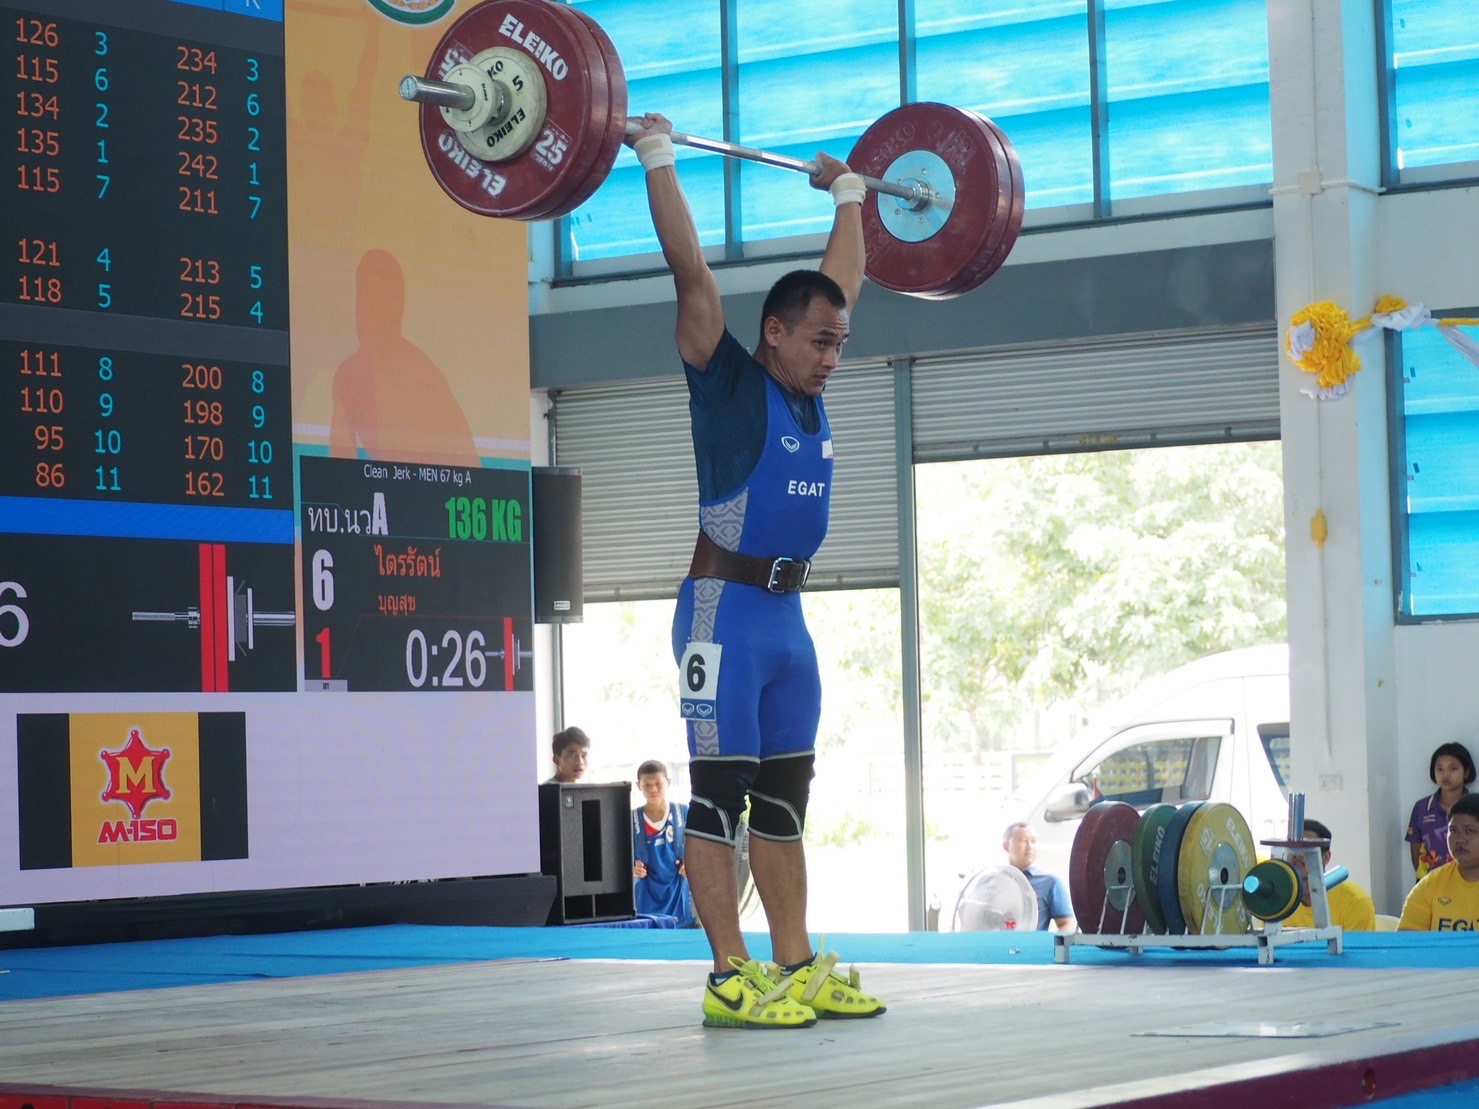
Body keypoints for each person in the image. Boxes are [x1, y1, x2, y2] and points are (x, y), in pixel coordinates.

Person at [627, 112, 884, 1030]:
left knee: (783, 802)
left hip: (786, 626)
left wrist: (848, 193)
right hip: (720, 615)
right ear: (773, 333)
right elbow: (690, 274)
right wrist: (657, 154)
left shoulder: (811, 386)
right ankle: (729, 976)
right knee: (717, 798)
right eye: (819, 343)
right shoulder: (729, 383)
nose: (832, 357)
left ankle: (797, 965)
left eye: (839, 343)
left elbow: (839, 284)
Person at [1399, 793, 1479, 931]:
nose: (1460, 839)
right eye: (1453, 830)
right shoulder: (1430, 884)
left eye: (1469, 831)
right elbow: (1407, 940)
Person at [1282, 818, 1377, 932]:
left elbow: (1355, 944)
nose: (1296, 856)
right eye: (1291, 850)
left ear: (1326, 857)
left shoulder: (1355, 902)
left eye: (1306, 850)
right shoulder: (1278, 900)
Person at [631, 760, 695, 928]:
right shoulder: (631, 819)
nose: (653, 789)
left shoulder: (683, 813)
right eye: (647, 785)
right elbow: (617, 860)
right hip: (645, 899)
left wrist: (691, 864)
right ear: (638, 786)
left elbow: (701, 850)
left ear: (668, 782)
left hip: (679, 896)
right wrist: (632, 869)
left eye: (658, 784)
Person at [1405, 741, 1475, 880]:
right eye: (1440, 769)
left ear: (1466, 772)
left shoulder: (1476, 806)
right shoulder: (1422, 808)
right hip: (1430, 883)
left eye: (1453, 769)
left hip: (1469, 883)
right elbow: (1415, 851)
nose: (1445, 775)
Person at [1003, 822, 1075, 932]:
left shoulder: (1050, 882)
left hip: (1033, 943)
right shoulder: (996, 882)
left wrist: (1051, 943)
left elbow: (1067, 924)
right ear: (1007, 846)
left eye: (1033, 841)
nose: (1030, 847)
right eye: (1023, 840)